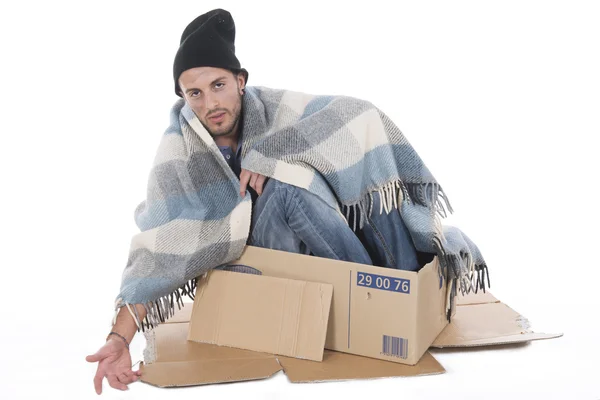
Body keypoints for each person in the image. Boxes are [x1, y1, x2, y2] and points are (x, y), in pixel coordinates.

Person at [86, 9, 455, 394]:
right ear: (182, 96)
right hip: (252, 265)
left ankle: (407, 281)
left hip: (318, 245)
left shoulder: (273, 109)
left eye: (219, 85)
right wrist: (118, 339)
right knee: (287, 188)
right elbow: (158, 248)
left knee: (361, 173)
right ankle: (379, 302)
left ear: (240, 81)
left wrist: (275, 150)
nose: (210, 102)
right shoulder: (176, 153)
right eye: (194, 93)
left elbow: (357, 114)